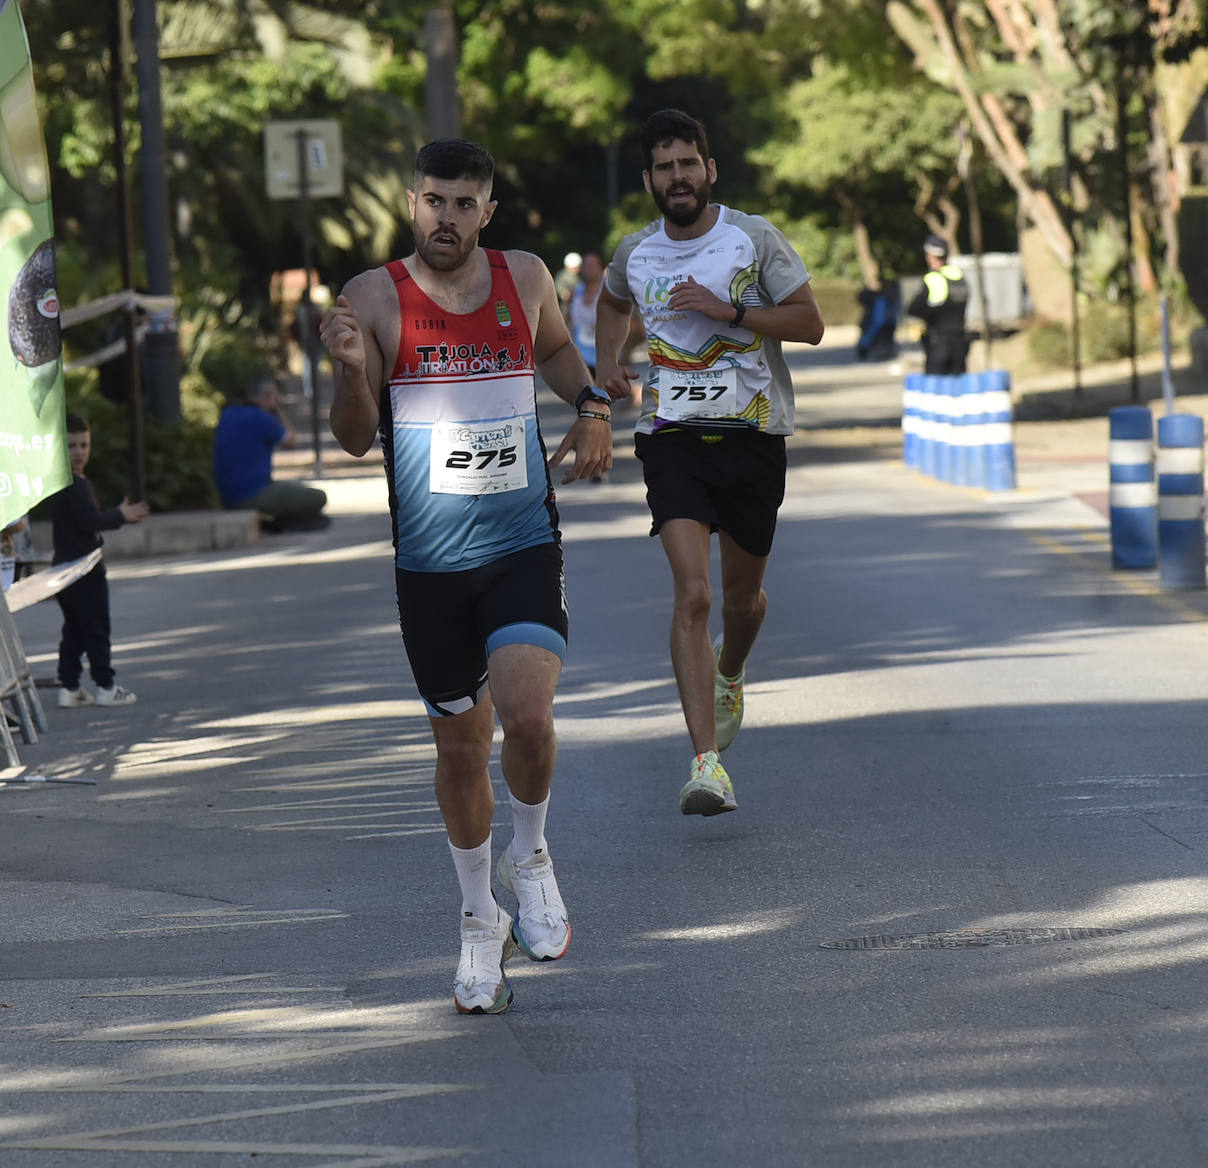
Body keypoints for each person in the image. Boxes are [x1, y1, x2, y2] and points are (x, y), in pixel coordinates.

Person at [319, 138, 612, 1015]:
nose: (445, 218)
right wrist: (346, 370)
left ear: (488, 211)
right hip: (431, 566)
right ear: (413, 204)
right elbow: (353, 436)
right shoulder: (373, 298)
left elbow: (558, 352)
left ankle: (533, 856)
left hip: (521, 542)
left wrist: (591, 403)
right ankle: (480, 920)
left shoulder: (524, 279)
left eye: (463, 204)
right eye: (432, 201)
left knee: (526, 714)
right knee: (459, 752)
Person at [595, 108, 824, 818]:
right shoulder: (636, 252)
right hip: (673, 439)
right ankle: (706, 764)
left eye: (688, 163)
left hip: (753, 437)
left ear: (709, 169)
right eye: (664, 168)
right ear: (649, 180)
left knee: (740, 601)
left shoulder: (752, 238)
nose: (678, 177)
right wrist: (609, 367)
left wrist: (731, 311)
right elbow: (610, 301)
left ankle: (731, 670)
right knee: (692, 595)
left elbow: (810, 323)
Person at [49, 412, 149, 708]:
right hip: (85, 569)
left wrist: (117, 514)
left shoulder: (60, 482)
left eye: (83, 445)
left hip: (65, 569)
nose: (79, 452)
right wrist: (122, 515)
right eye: (71, 446)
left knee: (75, 630)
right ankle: (105, 685)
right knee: (95, 628)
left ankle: (69, 687)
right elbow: (89, 520)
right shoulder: (77, 485)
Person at [213, 377, 329, 532]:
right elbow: (292, 442)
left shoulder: (228, 414)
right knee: (318, 497)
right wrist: (278, 410)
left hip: (226, 495)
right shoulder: (261, 418)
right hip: (252, 494)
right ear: (269, 396)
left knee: (293, 490)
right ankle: (285, 523)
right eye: (276, 395)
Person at [905, 233, 970, 375]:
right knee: (958, 387)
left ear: (930, 256)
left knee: (937, 389)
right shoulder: (959, 275)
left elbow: (913, 308)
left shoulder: (933, 278)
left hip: (939, 343)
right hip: (960, 341)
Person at [565, 251, 603, 375]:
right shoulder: (576, 291)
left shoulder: (607, 291)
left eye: (593, 265)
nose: (589, 269)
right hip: (580, 358)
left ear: (600, 267)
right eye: (586, 265)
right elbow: (568, 321)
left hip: (604, 356)